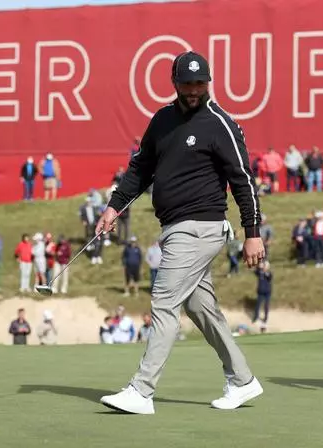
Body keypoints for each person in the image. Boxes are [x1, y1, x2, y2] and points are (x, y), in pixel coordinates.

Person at [97, 51, 265, 415]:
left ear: (208, 82)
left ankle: (141, 391)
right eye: (187, 84)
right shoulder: (162, 120)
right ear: (175, 83)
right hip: (174, 228)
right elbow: (140, 170)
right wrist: (114, 206)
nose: (193, 90)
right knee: (200, 307)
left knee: (164, 300)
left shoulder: (220, 123)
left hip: (201, 226)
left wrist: (253, 232)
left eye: (200, 83)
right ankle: (242, 379)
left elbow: (243, 180)